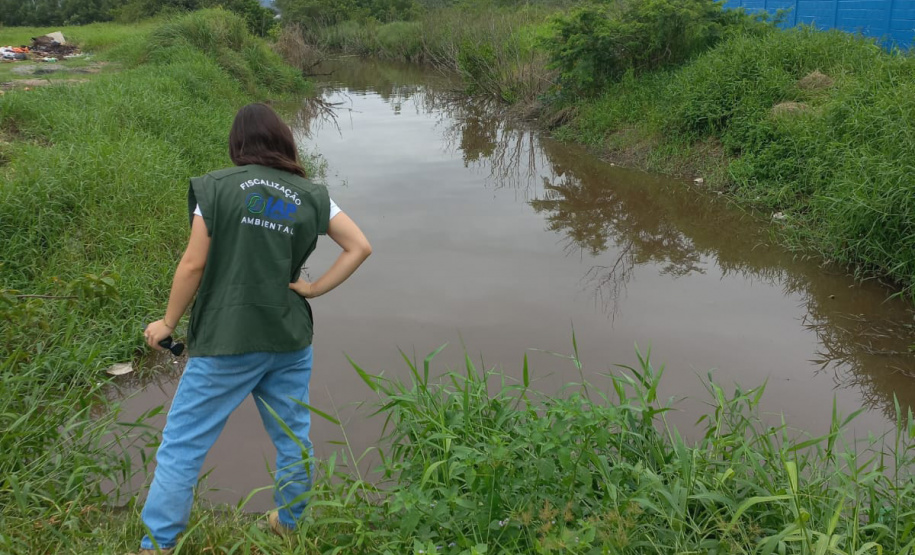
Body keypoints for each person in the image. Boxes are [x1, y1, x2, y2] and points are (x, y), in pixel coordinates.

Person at [133, 103, 372, 554]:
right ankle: (288, 521)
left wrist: (167, 323)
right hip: (288, 337)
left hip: (226, 337)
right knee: (292, 436)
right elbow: (359, 246)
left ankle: (157, 544)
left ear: (238, 145)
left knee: (183, 443)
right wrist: (315, 289)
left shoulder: (218, 188)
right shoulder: (312, 194)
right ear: (283, 140)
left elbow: (194, 262)